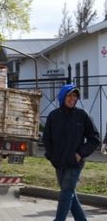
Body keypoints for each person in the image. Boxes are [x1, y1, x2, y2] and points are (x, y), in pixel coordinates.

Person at [42, 84, 100, 221]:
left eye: (75, 96)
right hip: (59, 163)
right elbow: (46, 139)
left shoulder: (82, 115)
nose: (73, 99)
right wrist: (51, 157)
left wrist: (80, 154)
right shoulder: (53, 116)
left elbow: (94, 138)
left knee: (66, 194)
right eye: (70, 95)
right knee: (69, 195)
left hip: (75, 163)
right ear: (63, 97)